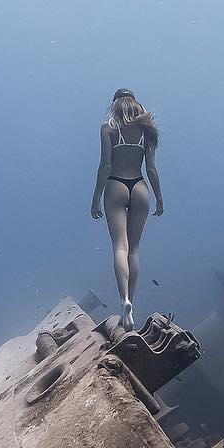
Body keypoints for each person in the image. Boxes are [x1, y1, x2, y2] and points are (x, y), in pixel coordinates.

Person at [90, 88, 164, 330]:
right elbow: (151, 168)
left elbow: (105, 165)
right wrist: (160, 197)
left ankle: (124, 301)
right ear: (134, 103)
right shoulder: (147, 130)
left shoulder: (108, 128)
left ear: (115, 104)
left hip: (116, 185)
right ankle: (131, 301)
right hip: (140, 187)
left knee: (119, 247)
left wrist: (96, 197)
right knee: (134, 249)